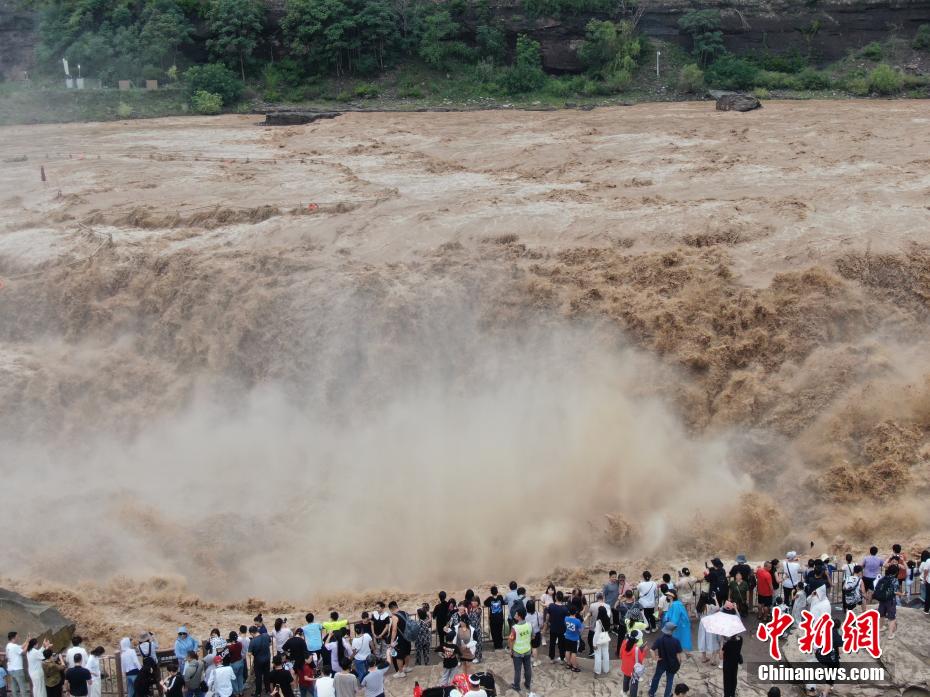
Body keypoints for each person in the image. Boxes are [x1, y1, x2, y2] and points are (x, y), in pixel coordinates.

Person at [648, 623, 682, 697]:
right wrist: (679, 663)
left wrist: (655, 658)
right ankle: (667, 695)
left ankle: (651, 693)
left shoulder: (659, 640)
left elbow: (651, 650)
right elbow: (678, 655)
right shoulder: (676, 641)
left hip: (661, 663)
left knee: (656, 678)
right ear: (672, 631)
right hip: (672, 664)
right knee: (669, 681)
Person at [508, 608, 533, 694]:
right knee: (528, 668)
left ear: (519, 617)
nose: (515, 615)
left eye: (516, 614)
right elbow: (532, 636)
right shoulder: (529, 625)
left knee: (517, 670)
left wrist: (511, 650)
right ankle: (527, 684)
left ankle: (517, 686)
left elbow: (511, 640)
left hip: (517, 652)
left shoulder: (515, 628)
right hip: (527, 650)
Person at [874, 565, 902, 640]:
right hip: (890, 601)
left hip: (882, 599)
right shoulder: (895, 580)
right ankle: (890, 634)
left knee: (882, 614)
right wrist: (901, 594)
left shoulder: (883, 578)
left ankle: (880, 627)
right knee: (892, 617)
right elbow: (895, 592)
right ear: (896, 572)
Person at [388, 601, 412, 677]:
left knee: (399, 656)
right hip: (407, 636)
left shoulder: (395, 616)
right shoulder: (405, 613)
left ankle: (401, 672)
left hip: (400, 639)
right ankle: (406, 667)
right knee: (407, 652)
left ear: (391, 609)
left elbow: (394, 630)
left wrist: (391, 641)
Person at [695, 592, 720, 665]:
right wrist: (715, 599)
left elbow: (697, 616)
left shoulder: (698, 607)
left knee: (703, 640)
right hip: (710, 624)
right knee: (713, 640)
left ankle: (703, 657)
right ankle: (713, 660)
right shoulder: (710, 606)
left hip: (702, 624)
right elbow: (718, 608)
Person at [620, 631, 647, 697]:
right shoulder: (637, 649)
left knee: (626, 679)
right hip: (633, 670)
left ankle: (624, 691)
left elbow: (621, 654)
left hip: (625, 666)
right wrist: (644, 651)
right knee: (634, 684)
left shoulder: (624, 643)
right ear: (637, 640)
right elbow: (640, 660)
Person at [248, 625, 272, 697]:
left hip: (258, 661)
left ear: (252, 633)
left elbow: (249, 654)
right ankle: (268, 690)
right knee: (266, 675)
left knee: (258, 677)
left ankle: (258, 693)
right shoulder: (266, 635)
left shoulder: (252, 641)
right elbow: (270, 644)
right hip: (267, 659)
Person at [545, 592, 568, 663]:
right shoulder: (565, 608)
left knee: (552, 643)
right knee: (562, 644)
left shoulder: (551, 606)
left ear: (556, 598)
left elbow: (547, 616)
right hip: (562, 629)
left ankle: (551, 658)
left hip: (553, 628)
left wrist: (547, 622)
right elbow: (566, 620)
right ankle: (562, 659)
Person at [5, 632, 27, 697]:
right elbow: (23, 652)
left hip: (11, 670)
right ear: (13, 638)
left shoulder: (8, 645)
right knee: (22, 687)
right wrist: (28, 643)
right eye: (17, 636)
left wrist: (27, 641)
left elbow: (20, 647)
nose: (18, 637)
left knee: (13, 687)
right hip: (18, 669)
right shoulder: (14, 646)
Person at [586, 593, 607, 659]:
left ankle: (592, 651)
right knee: (602, 641)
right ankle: (601, 653)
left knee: (590, 639)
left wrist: (584, 619)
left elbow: (589, 614)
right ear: (603, 597)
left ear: (596, 597)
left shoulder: (592, 605)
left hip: (593, 626)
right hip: (603, 627)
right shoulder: (607, 606)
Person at [592, 605, 612, 676]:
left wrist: (594, 644)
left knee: (598, 655)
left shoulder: (598, 621)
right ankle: (606, 669)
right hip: (606, 637)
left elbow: (596, 634)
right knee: (606, 654)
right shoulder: (608, 617)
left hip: (599, 639)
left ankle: (598, 671)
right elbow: (608, 610)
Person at [563, 607, 583, 673]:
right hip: (574, 639)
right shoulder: (577, 621)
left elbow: (566, 626)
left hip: (567, 637)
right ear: (576, 612)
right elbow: (580, 631)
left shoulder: (566, 618)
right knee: (574, 652)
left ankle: (568, 664)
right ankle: (574, 667)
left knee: (567, 651)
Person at [525, 599, 543, 668]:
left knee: (528, 647)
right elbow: (541, 624)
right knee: (534, 647)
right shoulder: (538, 614)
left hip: (527, 633)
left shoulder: (525, 615)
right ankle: (535, 662)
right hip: (536, 632)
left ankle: (528, 660)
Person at [227, 631, 246, 696]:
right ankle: (241, 691)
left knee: (233, 679)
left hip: (234, 664)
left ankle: (236, 693)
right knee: (240, 677)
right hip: (241, 662)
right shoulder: (239, 644)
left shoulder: (230, 647)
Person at [919, 550, 930, 615]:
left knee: (928, 595)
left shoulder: (928, 561)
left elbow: (925, 570)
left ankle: (926, 610)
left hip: (928, 580)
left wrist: (925, 579)